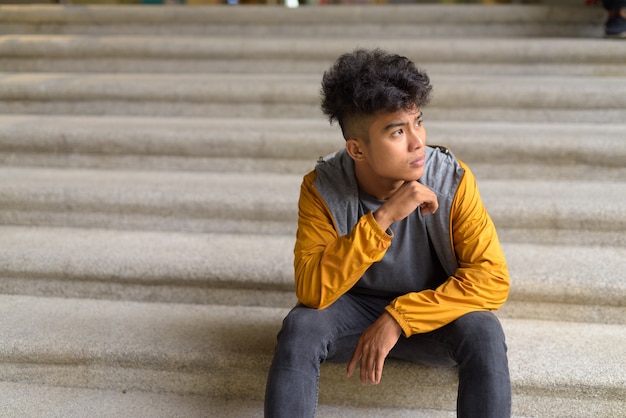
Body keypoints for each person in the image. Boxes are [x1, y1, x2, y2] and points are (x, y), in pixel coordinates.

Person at [264, 48, 511, 418]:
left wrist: (400, 317)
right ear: (357, 149)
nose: (417, 143)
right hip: (352, 312)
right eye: (398, 131)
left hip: (433, 313)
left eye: (418, 122)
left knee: (484, 330)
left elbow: (491, 280)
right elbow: (313, 290)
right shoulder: (322, 187)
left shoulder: (452, 179)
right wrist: (383, 218)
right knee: (301, 327)